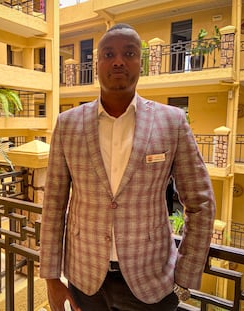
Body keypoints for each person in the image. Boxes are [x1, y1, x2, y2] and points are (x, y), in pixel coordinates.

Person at [39, 23, 216, 311]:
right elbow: (54, 204)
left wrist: (184, 276)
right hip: (85, 281)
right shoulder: (67, 124)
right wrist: (50, 277)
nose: (118, 60)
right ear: (97, 65)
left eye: (129, 53)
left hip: (151, 283)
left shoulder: (172, 122)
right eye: (108, 54)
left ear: (140, 63)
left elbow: (201, 202)